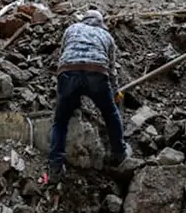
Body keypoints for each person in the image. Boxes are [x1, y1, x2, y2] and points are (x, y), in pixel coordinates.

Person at [48, 10, 128, 181]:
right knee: (110, 113)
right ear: (100, 22)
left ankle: (55, 165)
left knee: (60, 121)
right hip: (97, 73)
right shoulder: (106, 36)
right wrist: (114, 92)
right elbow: (112, 70)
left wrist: (61, 92)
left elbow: (63, 55)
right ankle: (119, 153)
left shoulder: (71, 29)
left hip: (68, 72)